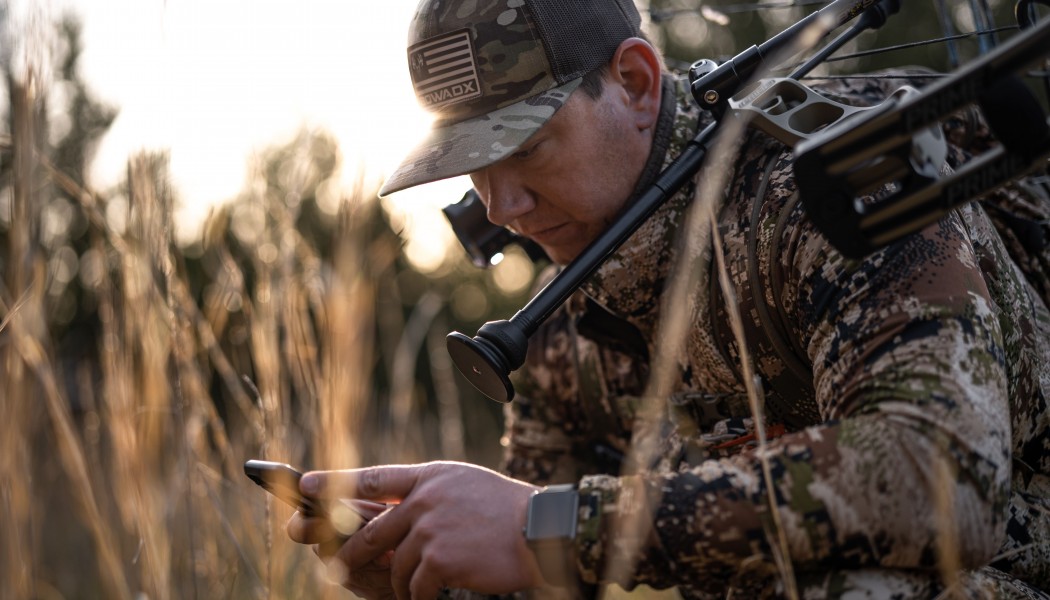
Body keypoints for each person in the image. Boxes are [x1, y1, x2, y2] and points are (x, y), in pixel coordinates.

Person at [287, 0, 1050, 598]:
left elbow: (944, 477)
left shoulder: (822, 193)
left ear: (636, 83)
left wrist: (542, 524)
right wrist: (423, 572)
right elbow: (547, 568)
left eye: (523, 149)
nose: (501, 205)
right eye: (469, 166)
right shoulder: (564, 318)